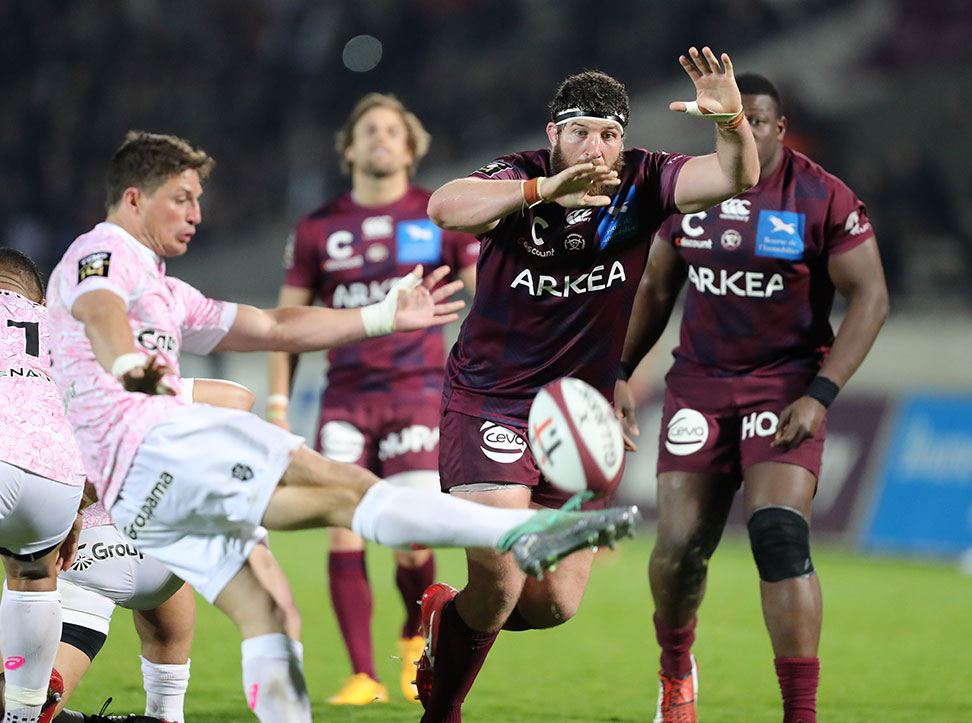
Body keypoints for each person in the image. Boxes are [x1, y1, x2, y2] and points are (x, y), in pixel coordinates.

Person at [44, 130, 638, 723]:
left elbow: (274, 327)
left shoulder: (164, 288)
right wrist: (126, 362)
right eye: (182, 198)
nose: (197, 214)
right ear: (132, 198)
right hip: (160, 449)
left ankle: (41, 708)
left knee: (273, 614)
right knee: (346, 491)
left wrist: (382, 315)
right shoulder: (105, 250)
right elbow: (100, 309)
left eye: (199, 199)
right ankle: (521, 532)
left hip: (141, 494)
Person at [418, 46, 759, 723]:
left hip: (579, 417)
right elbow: (444, 205)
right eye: (580, 130)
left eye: (608, 133)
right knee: (506, 568)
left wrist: (732, 122)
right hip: (493, 399)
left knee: (552, 605)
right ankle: (443, 709)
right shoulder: (519, 176)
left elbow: (736, 176)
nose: (595, 146)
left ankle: (449, 620)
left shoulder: (645, 180)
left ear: (623, 139)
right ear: (554, 136)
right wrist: (544, 191)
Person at [615, 73, 889, 723]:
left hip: (784, 387)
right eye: (734, 122)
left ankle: (801, 713)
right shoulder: (691, 190)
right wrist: (618, 370)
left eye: (758, 121)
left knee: (778, 534)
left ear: (779, 128)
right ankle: (676, 667)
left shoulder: (822, 195)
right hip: (698, 389)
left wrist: (821, 394)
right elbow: (655, 291)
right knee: (678, 549)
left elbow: (871, 298)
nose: (748, 132)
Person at [267, 93, 479, 706]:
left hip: (416, 394)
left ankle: (416, 634)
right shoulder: (318, 228)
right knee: (343, 528)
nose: (381, 138)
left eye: (392, 130)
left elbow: (484, 296)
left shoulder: (440, 215)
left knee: (411, 537)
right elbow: (286, 322)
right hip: (344, 399)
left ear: (410, 149)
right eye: (369, 130)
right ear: (351, 148)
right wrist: (278, 406)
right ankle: (364, 675)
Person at [47, 380, 300, 723]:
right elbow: (238, 398)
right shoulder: (114, 385)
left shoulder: (26, 399)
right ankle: (167, 715)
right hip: (161, 549)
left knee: (23, 698)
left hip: (79, 554)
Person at [0, 247, 85, 723]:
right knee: (32, 576)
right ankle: (22, 715)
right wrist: (75, 510)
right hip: (57, 484)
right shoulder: (67, 328)